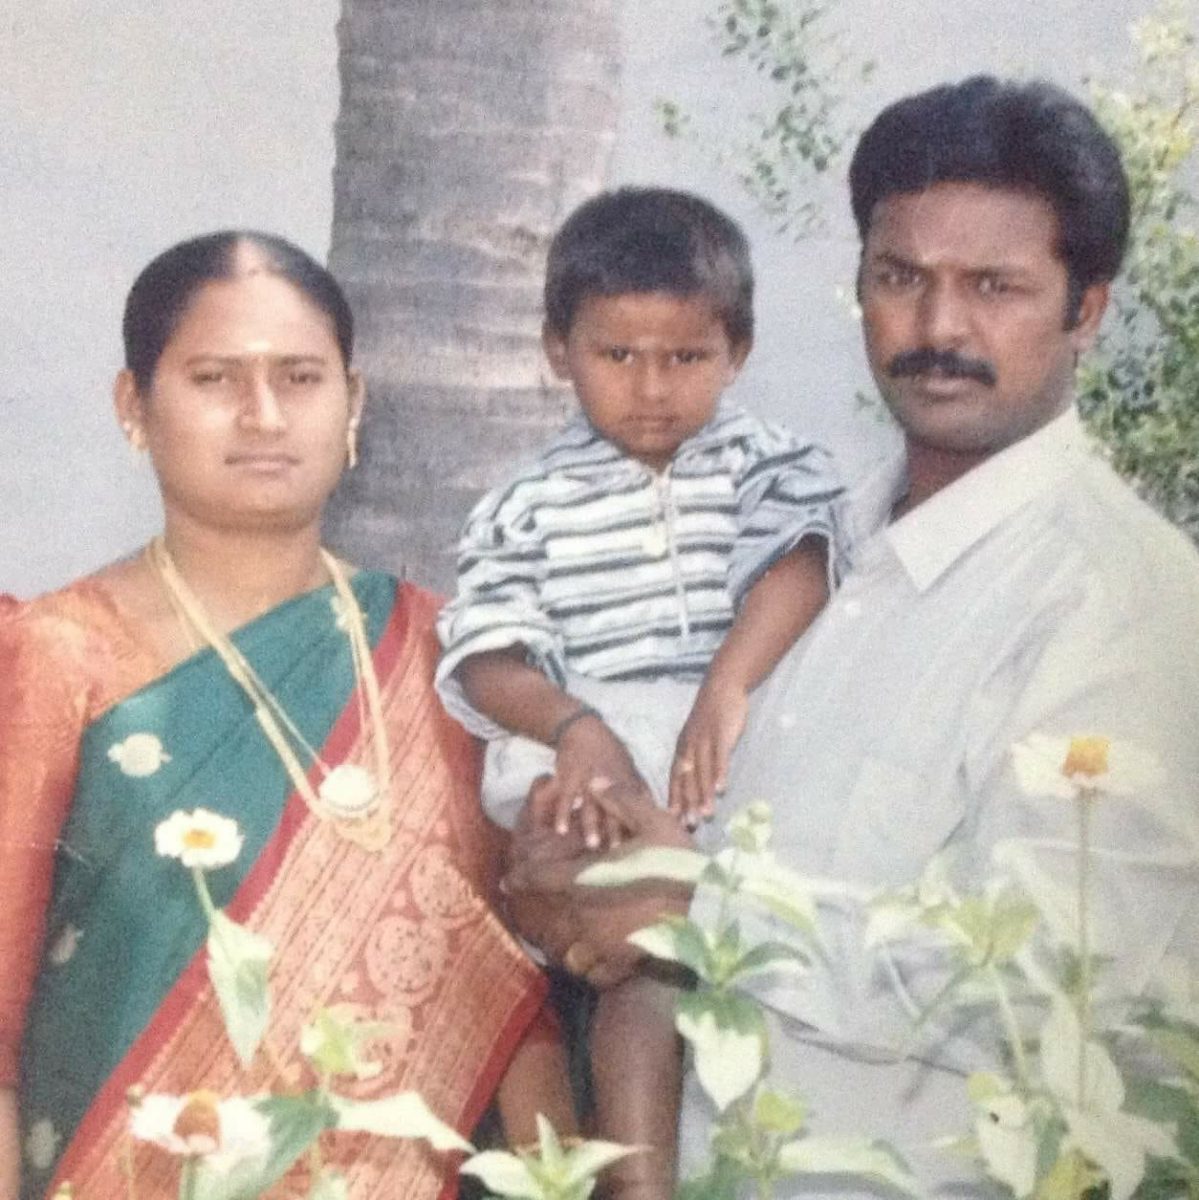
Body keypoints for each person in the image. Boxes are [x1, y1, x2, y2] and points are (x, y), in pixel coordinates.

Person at [504, 77, 1199, 1199]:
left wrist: (696, 911)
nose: (938, 329)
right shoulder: (806, 552)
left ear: (1086, 309)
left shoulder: (1125, 603)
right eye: (899, 278)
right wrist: (581, 876)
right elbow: (678, 863)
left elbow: (1064, 995)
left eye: (994, 287)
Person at [0, 231, 572, 1200]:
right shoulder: (54, 656)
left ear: (354, 402)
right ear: (133, 406)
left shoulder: (448, 660)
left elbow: (506, 996)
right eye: (214, 378)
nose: (263, 416)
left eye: (300, 378)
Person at [435, 188, 842, 1197]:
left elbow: (801, 567)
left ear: (737, 350)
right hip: (587, 755)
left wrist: (727, 685)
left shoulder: (769, 463)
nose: (651, 388)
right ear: (557, 350)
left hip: (724, 742)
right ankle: (636, 1185)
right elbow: (487, 657)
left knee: (707, 946)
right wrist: (577, 728)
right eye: (616, 355)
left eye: (686, 357)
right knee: (634, 959)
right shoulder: (526, 502)